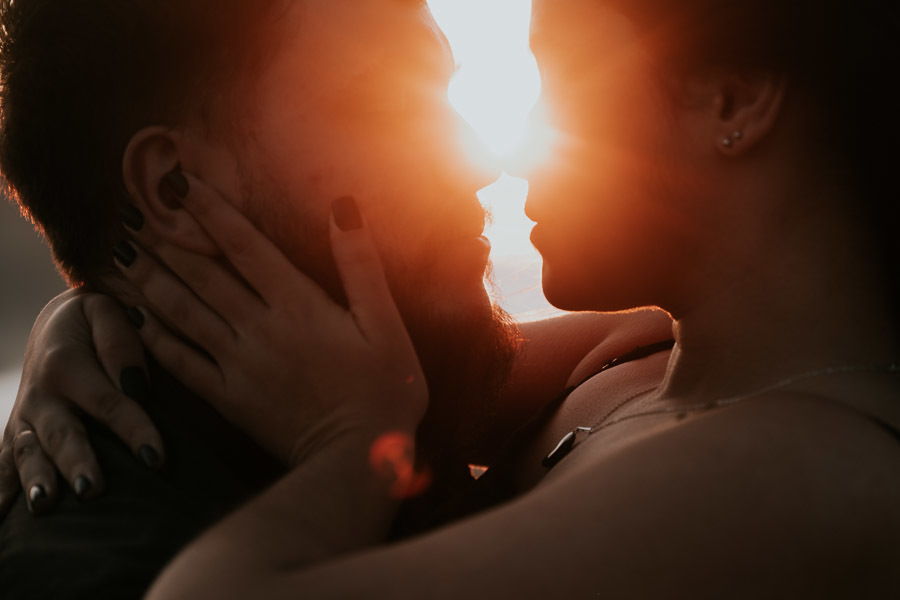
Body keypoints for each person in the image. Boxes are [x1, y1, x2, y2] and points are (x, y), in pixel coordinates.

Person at [9, 0, 900, 596]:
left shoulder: (801, 472)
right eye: (391, 108)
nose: (496, 156)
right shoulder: (632, 360)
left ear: (732, 98)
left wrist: (354, 442)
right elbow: (444, 365)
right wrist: (94, 312)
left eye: (560, 74)